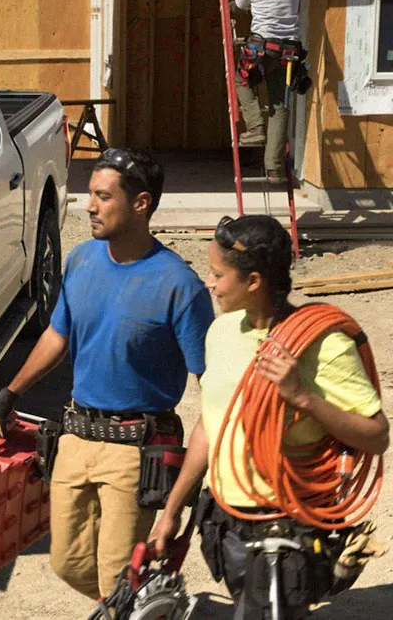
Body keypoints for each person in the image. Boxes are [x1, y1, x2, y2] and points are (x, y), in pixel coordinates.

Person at [0, 148, 214, 600]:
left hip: (136, 450)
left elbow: (214, 388)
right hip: (75, 439)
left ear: (141, 204)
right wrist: (10, 392)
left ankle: (135, 605)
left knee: (117, 575)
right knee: (67, 563)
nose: (89, 206)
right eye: (90, 194)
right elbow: (58, 335)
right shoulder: (81, 261)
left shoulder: (180, 287)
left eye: (103, 197)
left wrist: (187, 485)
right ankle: (145, 607)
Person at [150, 214, 389, 619]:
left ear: (254, 281)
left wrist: (303, 397)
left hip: (283, 527)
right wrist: (172, 510)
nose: (209, 283)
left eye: (218, 274)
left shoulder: (321, 344)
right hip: (227, 522)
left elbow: (376, 435)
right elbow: (213, 424)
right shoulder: (221, 333)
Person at [232, 0, 306, 183]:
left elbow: (239, 6)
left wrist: (230, 7)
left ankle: (256, 127)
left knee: (241, 80)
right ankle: (274, 168)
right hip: (288, 51)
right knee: (279, 105)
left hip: (261, 46)